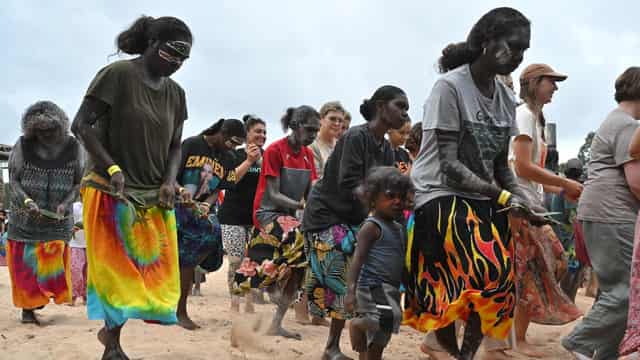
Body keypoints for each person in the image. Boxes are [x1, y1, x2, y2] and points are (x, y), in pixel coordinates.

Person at [403, 7, 537, 359]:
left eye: (524, 49)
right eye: (512, 46)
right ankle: (442, 340)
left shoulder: (506, 98)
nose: (519, 55)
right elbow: (448, 165)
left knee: (500, 280)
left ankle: (464, 351)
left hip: (480, 194)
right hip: (439, 192)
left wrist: (524, 200)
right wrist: (505, 195)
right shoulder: (450, 88)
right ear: (485, 41)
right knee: (482, 260)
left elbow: (499, 168)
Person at [71, 15, 191, 359]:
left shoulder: (175, 93)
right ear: (152, 44)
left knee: (156, 275)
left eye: (185, 58)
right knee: (117, 273)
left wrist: (170, 181)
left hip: (154, 194)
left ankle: (109, 334)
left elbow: (175, 145)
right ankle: (113, 346)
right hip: (110, 188)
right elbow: (82, 125)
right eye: (173, 53)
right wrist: (111, 167)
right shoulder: (117, 75)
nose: (179, 63)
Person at [303, 85, 409, 360]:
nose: (405, 113)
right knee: (345, 273)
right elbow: (349, 183)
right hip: (328, 215)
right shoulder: (355, 137)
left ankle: (354, 346)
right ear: (380, 106)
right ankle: (332, 347)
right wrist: (378, 216)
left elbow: (386, 189)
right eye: (400, 106)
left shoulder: (386, 148)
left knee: (366, 273)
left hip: (357, 216)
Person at [563, 66, 640, 359]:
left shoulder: (615, 120)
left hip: (600, 212)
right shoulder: (627, 126)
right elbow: (635, 182)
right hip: (614, 213)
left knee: (614, 292)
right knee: (624, 293)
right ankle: (577, 345)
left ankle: (603, 354)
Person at [510, 63, 583, 357]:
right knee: (530, 269)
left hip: (531, 203)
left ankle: (517, 335)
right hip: (518, 205)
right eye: (550, 82)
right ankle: (515, 338)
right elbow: (523, 166)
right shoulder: (524, 115)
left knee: (551, 262)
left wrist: (565, 188)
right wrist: (565, 182)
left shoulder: (536, 119)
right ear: (533, 83)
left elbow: (535, 173)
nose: (555, 87)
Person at [233, 105, 320, 340]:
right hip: (268, 213)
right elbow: (273, 195)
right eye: (310, 129)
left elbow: (311, 192)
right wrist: (303, 207)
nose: (313, 135)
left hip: (291, 216)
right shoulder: (274, 150)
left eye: (316, 131)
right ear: (294, 126)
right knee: (298, 239)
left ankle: (276, 320)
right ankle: (269, 284)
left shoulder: (307, 155)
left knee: (304, 257)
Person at [6, 101, 82, 325]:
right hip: (25, 220)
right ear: (31, 130)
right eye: (40, 131)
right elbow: (14, 181)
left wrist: (66, 203)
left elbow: (78, 183)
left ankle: (40, 299)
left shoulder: (75, 147)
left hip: (58, 222)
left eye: (50, 131)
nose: (46, 135)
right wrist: (28, 201)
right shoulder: (23, 146)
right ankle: (28, 310)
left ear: (61, 127)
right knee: (26, 268)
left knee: (53, 266)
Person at [174, 118, 247, 330]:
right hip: (175, 206)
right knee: (183, 260)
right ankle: (180, 311)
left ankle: (184, 280)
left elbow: (218, 188)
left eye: (237, 144)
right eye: (232, 141)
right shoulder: (192, 144)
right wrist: (180, 190)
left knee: (212, 240)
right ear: (221, 133)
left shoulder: (227, 157)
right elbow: (170, 174)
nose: (233, 147)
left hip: (199, 211)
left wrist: (207, 204)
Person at [342, 167, 413, 360]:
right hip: (371, 287)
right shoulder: (372, 226)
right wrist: (350, 292)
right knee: (389, 317)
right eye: (390, 196)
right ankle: (358, 324)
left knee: (382, 335)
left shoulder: (399, 228)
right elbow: (357, 259)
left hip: (390, 289)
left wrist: (409, 286)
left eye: (401, 196)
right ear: (373, 198)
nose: (397, 201)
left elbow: (401, 260)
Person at [219, 115, 266, 313]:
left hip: (257, 218)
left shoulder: (268, 156)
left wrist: (262, 162)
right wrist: (249, 160)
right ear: (246, 134)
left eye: (264, 132)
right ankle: (235, 303)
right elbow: (230, 180)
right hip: (232, 216)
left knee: (253, 261)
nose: (262, 135)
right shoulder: (234, 155)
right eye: (258, 131)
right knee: (236, 261)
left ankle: (249, 300)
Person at [550, 159, 586, 302]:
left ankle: (567, 300)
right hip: (565, 235)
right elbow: (567, 218)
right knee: (570, 267)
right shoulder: (566, 191)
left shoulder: (567, 189)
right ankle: (565, 300)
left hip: (568, 235)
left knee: (573, 268)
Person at [310, 101, 346, 179]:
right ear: (321, 119)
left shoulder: (343, 145)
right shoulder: (312, 145)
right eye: (332, 119)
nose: (337, 123)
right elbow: (315, 179)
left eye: (340, 120)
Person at [69, 200, 87, 305]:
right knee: (75, 270)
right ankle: (73, 295)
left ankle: (87, 296)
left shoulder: (94, 203)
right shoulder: (73, 206)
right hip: (75, 243)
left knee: (88, 272)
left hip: (90, 243)